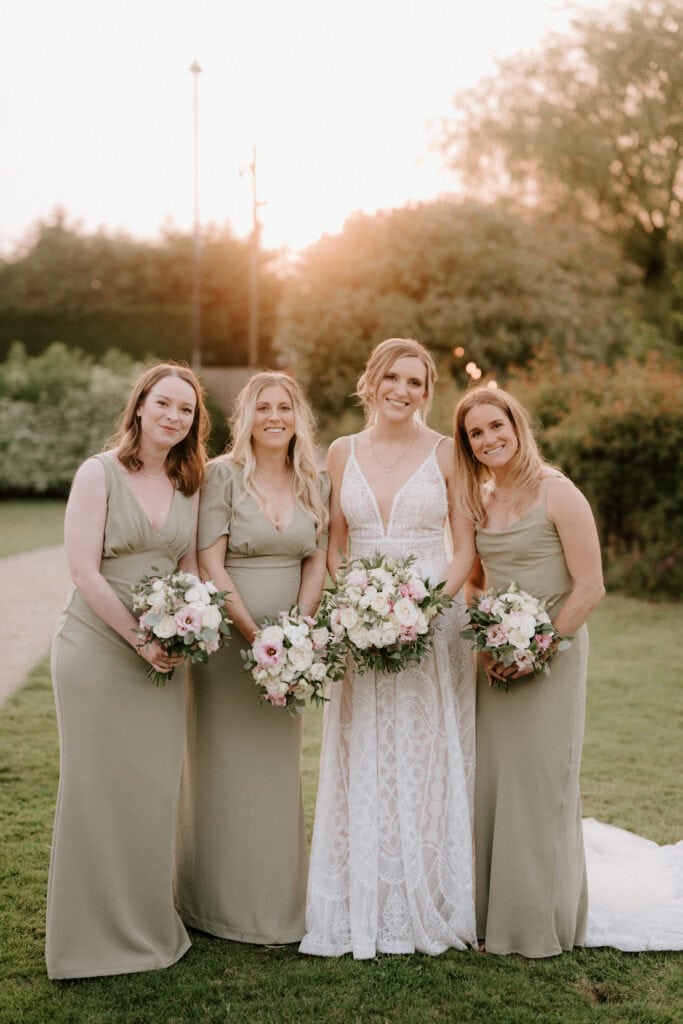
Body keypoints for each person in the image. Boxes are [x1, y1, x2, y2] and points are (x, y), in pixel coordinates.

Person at [453, 385, 683, 956]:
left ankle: (537, 923)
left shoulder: (559, 493)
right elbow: (479, 578)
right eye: (475, 433)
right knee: (493, 786)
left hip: (553, 656)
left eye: (495, 427)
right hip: (495, 660)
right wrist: (490, 636)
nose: (488, 440)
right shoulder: (482, 499)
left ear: (516, 425)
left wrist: (538, 647)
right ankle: (489, 916)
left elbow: (591, 587)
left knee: (537, 785)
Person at [300, 337, 477, 959]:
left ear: (427, 394)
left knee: (426, 751)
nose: (402, 391)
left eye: (416, 383)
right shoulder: (340, 453)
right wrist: (355, 605)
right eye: (392, 378)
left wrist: (425, 610)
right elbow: (334, 544)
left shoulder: (449, 453)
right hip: (361, 621)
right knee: (363, 746)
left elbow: (464, 548)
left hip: (431, 621)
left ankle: (426, 888)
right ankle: (361, 894)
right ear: (370, 381)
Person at [46, 362, 209, 979]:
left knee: (151, 789)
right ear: (140, 406)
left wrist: (193, 622)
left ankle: (146, 927)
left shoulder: (188, 480)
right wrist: (140, 639)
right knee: (94, 791)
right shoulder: (99, 472)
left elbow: (190, 562)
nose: (174, 416)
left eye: (186, 410)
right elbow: (84, 570)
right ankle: (86, 942)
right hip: (98, 648)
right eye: (164, 403)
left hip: (165, 657)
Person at [175, 371, 329, 945]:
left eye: (284, 406)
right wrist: (253, 634)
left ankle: (275, 899)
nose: (274, 416)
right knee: (221, 767)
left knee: (275, 773)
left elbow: (316, 560)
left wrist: (296, 635)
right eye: (262, 407)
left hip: (289, 654)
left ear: (297, 417)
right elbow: (209, 562)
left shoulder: (314, 479)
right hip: (228, 646)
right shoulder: (222, 477)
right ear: (246, 418)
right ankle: (211, 903)